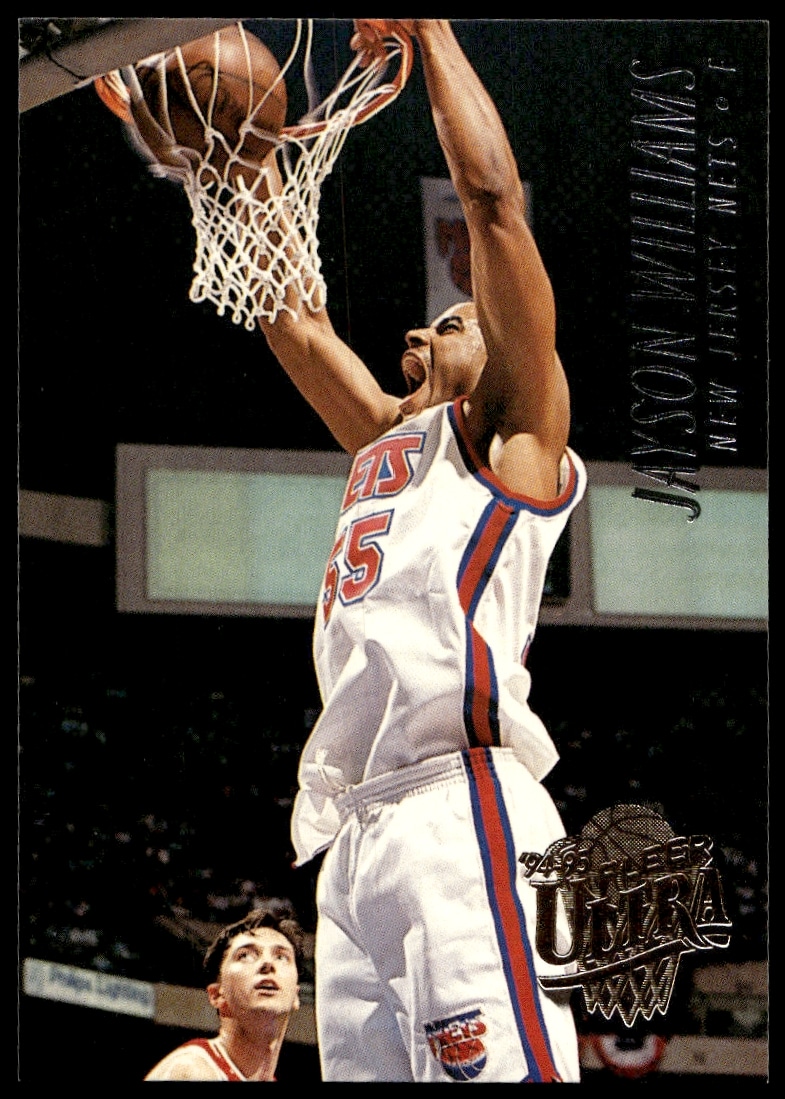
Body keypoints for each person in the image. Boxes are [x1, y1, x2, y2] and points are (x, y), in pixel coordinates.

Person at [259, 18, 586, 1083]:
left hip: (461, 806)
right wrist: (220, 160)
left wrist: (427, 29)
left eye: (452, 322)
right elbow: (288, 315)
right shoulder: (385, 444)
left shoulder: (512, 441)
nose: (417, 335)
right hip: (354, 840)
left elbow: (491, 204)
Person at [143, 905, 303, 1081]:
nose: (268, 963)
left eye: (281, 956)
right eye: (245, 955)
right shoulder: (191, 1070)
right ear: (217, 995)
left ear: (296, 995)